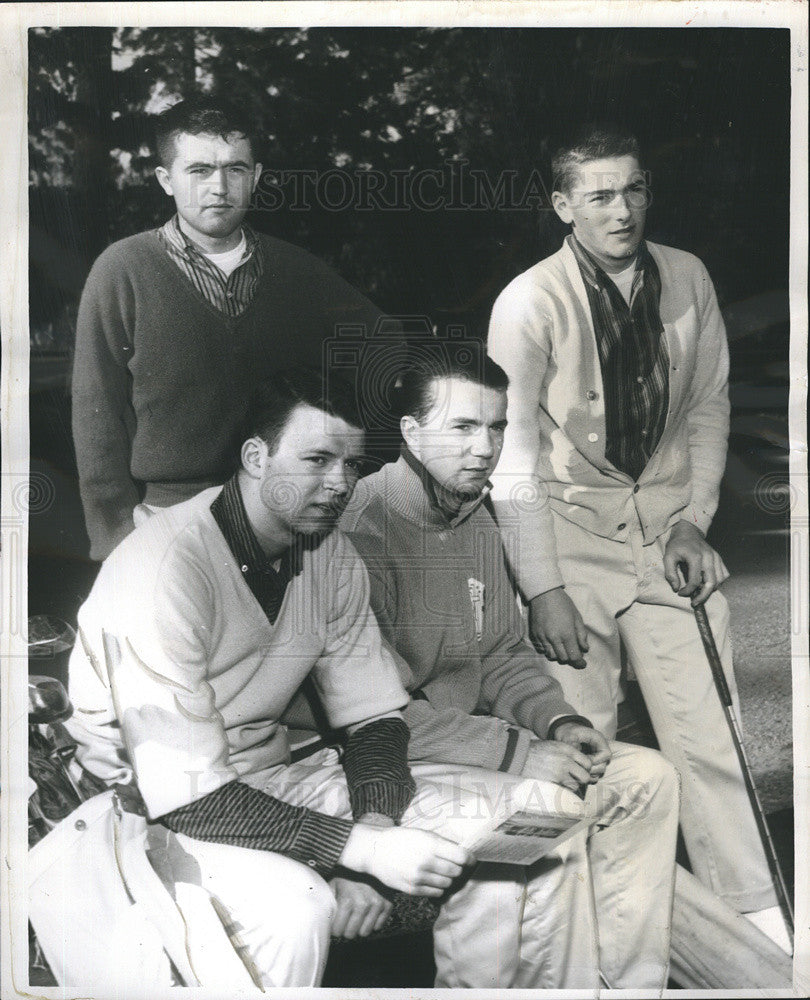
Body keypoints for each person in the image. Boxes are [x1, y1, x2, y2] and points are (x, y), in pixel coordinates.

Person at [65, 368, 607, 990]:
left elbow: (374, 720)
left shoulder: (326, 551)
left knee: (542, 819)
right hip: (150, 813)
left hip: (279, 780)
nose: (339, 484)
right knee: (297, 910)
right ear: (255, 457)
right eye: (317, 459)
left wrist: (376, 828)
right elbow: (188, 799)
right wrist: (356, 851)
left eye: (351, 465)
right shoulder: (162, 569)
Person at [486, 124, 789, 950]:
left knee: (713, 742)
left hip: (664, 535)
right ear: (562, 206)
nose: (622, 211)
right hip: (568, 538)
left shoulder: (687, 275)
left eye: (634, 190)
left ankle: (760, 933)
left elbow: (709, 403)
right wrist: (541, 585)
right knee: (585, 752)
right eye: (599, 196)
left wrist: (694, 516)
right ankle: (590, 934)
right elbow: (510, 452)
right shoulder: (530, 301)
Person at [337, 351, 680, 989]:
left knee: (648, 779)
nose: (484, 448)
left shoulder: (474, 517)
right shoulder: (363, 528)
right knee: (546, 811)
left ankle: (630, 987)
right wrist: (519, 751)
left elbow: (499, 654)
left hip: (466, 745)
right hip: (382, 759)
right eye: (462, 427)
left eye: (495, 429)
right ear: (411, 435)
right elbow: (372, 717)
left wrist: (559, 719)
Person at [72, 96, 386, 562]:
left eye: (235, 169)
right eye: (198, 170)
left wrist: (348, 468)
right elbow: (97, 416)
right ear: (166, 180)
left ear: (255, 177)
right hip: (168, 518)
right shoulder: (123, 268)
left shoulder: (298, 271)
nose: (219, 186)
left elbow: (385, 350)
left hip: (284, 513)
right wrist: (115, 535)